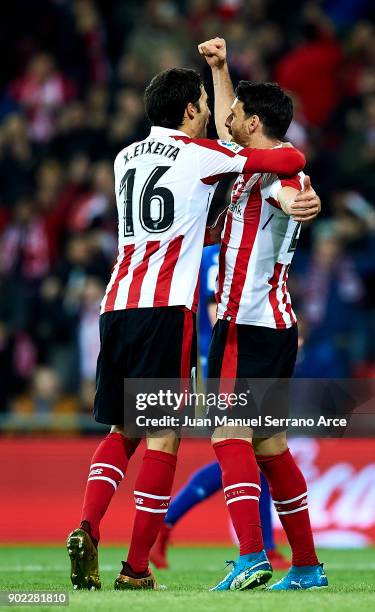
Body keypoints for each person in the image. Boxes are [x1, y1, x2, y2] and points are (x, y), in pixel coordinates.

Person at [66, 66, 309, 591]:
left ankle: (87, 524)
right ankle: (135, 569)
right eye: (203, 102)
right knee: (163, 436)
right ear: (191, 111)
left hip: (115, 303)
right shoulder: (201, 155)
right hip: (164, 310)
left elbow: (170, 223)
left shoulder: (124, 157)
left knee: (119, 430)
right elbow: (285, 158)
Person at [198, 38, 327, 591]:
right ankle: (306, 566)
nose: (227, 121)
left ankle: (251, 554)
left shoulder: (275, 179)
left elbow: (289, 193)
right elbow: (234, 133)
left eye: (235, 116)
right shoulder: (258, 164)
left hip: (243, 324)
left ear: (254, 123)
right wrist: (222, 68)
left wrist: (301, 202)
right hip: (274, 323)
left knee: (227, 437)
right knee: (269, 445)